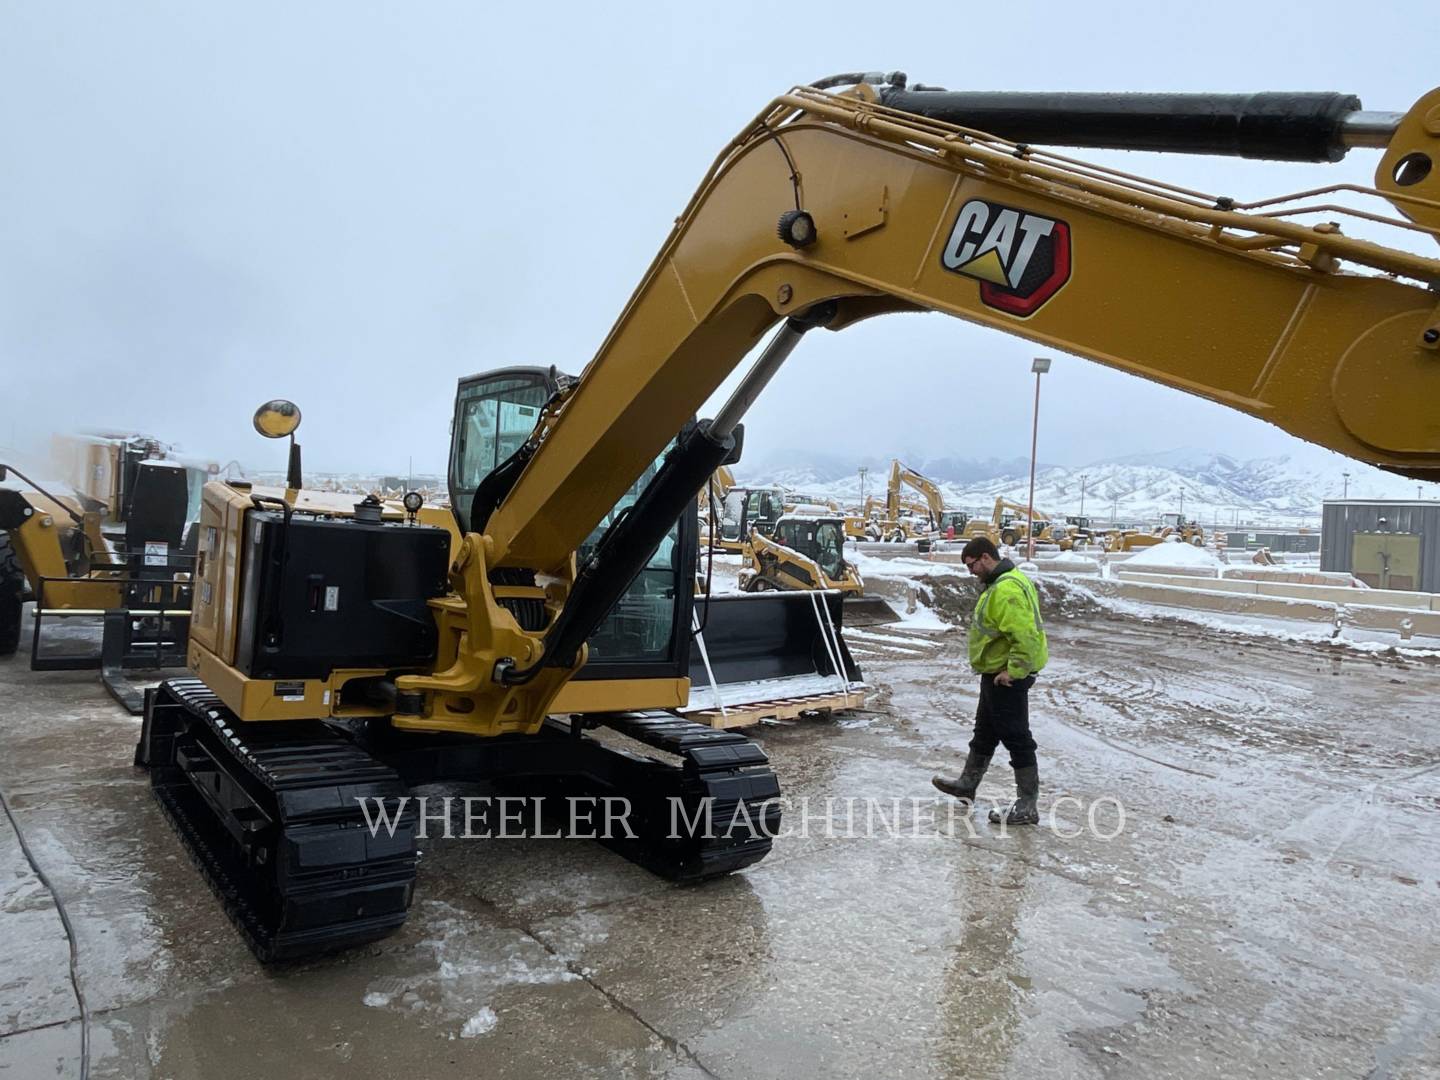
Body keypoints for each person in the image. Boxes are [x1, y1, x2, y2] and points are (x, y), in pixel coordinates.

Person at [932, 535, 1048, 825]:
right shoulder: (1001, 583)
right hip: (994, 674)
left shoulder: (1006, 589)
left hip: (1005, 677)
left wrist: (1016, 671)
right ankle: (967, 784)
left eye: (972, 565)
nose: (971, 572)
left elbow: (1024, 636)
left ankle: (1027, 804)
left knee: (1016, 736)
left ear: (986, 557)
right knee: (984, 731)